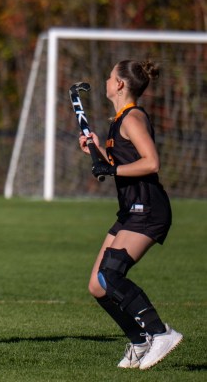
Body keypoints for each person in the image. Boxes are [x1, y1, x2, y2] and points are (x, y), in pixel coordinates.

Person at [78, 59, 182, 370]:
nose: (107, 80)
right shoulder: (119, 119)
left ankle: (160, 332)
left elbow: (151, 163)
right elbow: (123, 158)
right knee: (98, 285)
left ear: (120, 85)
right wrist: (99, 151)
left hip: (148, 210)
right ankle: (139, 342)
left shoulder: (132, 118)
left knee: (111, 275)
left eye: (110, 76)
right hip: (130, 210)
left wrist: (111, 167)